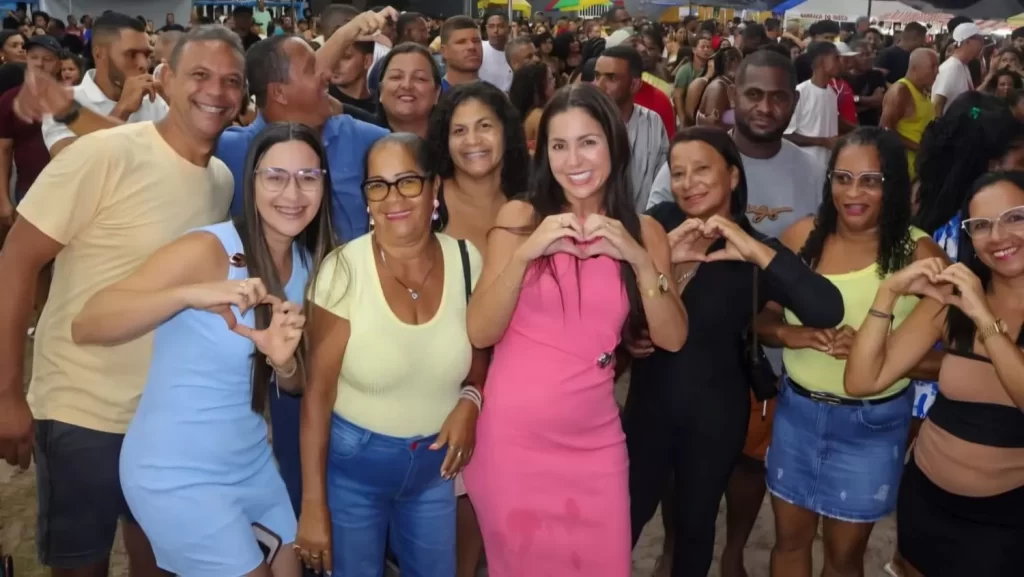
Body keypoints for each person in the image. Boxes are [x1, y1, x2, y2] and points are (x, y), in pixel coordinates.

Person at [0, 25, 243, 577]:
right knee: (81, 566)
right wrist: (7, 392)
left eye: (232, 81)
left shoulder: (221, 181)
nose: (216, 91)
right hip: (82, 412)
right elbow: (15, 262)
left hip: (167, 418)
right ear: (165, 80)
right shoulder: (103, 154)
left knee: (159, 561)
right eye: (200, 75)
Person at [72, 122, 329, 577]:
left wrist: (285, 364)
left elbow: (296, 384)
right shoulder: (210, 248)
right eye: (275, 176)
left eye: (308, 177)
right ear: (252, 181)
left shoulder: (309, 266)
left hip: (250, 462)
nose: (292, 193)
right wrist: (190, 294)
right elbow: (88, 322)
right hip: (175, 471)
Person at [463, 82, 688, 577]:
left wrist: (639, 260)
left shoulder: (646, 232)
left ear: (614, 145)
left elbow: (673, 337)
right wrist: (526, 254)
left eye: (587, 142)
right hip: (513, 446)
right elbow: (480, 331)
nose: (573, 160)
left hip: (596, 445)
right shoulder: (519, 218)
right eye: (558, 146)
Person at [629, 127, 842, 577]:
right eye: (678, 172)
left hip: (715, 416)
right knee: (621, 519)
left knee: (695, 528)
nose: (688, 183)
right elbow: (616, 302)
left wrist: (757, 252)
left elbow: (827, 309)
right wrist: (635, 323)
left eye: (701, 169)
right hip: (647, 410)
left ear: (732, 175)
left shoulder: (753, 247)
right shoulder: (658, 224)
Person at [216, 7, 393, 520]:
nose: (327, 76)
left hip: (353, 339)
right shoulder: (231, 151)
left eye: (308, 178)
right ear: (277, 93)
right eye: (275, 178)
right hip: (262, 351)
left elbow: (417, 159)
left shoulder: (354, 135)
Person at [296, 132, 486, 576]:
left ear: (435, 187)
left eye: (407, 181)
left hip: (434, 471)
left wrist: (471, 400)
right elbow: (317, 397)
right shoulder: (343, 270)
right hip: (354, 470)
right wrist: (313, 505)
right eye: (378, 185)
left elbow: (479, 359)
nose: (392, 197)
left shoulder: (466, 261)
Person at [762, 128, 947, 577]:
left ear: (893, 185)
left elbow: (954, 361)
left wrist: (874, 356)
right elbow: (759, 319)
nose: (853, 193)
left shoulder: (919, 255)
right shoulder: (802, 236)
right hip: (797, 413)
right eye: (842, 178)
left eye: (871, 181)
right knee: (789, 543)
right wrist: (791, 334)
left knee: (844, 558)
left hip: (871, 425)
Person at [845, 171, 1024, 577]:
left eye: (1014, 217)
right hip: (925, 497)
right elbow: (862, 381)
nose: (997, 236)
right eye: (981, 225)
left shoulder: (971, 304)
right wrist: (888, 293)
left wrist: (984, 318)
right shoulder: (952, 300)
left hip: (1005, 519)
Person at [426, 81, 531, 577]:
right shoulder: (427, 199)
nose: (472, 140)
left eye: (484, 126)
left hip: (515, 384)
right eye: (459, 130)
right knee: (451, 518)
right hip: (443, 382)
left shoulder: (532, 206)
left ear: (506, 132)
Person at [12, 12, 167, 158]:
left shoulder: (154, 101)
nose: (143, 64)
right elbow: (69, 161)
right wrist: (121, 110)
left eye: (147, 55)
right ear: (99, 54)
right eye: (131, 54)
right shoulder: (66, 103)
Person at [593, 45, 669, 211]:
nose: (599, 85)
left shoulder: (652, 121)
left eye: (611, 78)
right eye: (597, 76)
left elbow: (662, 183)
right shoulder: (582, 124)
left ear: (634, 85)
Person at [0, 35, 62, 224]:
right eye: (34, 57)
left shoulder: (74, 97)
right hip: (29, 189)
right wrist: (3, 199)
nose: (40, 64)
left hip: (68, 188)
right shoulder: (9, 99)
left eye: (48, 59)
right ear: (26, 59)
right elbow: (3, 151)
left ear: (58, 64)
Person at [880, 48, 938, 180]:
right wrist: (919, 148)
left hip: (920, 169)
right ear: (915, 68)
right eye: (932, 67)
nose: (937, 72)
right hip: (904, 171)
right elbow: (885, 130)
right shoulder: (901, 91)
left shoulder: (923, 90)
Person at [786, 41, 841, 167]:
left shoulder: (832, 93)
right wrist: (823, 142)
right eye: (836, 58)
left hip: (826, 167)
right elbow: (786, 135)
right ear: (820, 62)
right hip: (802, 167)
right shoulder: (800, 93)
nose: (840, 63)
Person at [374, 42, 441, 136]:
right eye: (396, 77)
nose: (407, 85)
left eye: (420, 78)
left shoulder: (453, 142)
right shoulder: (360, 139)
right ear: (381, 89)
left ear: (437, 93)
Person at [932, 22, 984, 116]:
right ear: (967, 41)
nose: (982, 44)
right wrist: (939, 124)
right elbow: (938, 102)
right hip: (950, 124)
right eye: (980, 40)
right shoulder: (952, 67)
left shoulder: (963, 65)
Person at [508, 62, 555, 152]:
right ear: (537, 89)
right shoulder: (538, 116)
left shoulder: (531, 115)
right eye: (549, 80)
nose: (554, 83)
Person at [439, 16, 482, 92]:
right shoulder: (432, 96)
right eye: (461, 42)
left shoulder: (495, 96)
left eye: (476, 41)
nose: (472, 46)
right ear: (444, 51)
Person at [479, 10, 512, 91]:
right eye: (491, 26)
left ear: (509, 29)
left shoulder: (516, 52)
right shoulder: (479, 49)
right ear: (486, 29)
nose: (495, 30)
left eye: (500, 26)